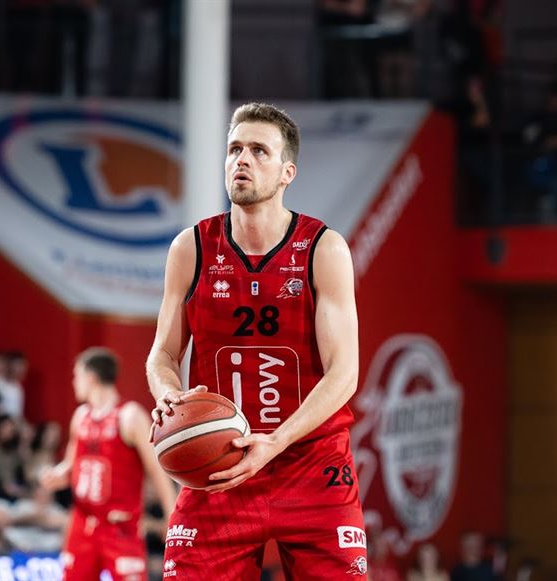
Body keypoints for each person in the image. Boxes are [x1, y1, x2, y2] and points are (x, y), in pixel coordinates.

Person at [146, 102, 364, 579]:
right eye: (235, 149)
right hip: (219, 463)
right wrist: (168, 396)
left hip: (311, 462)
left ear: (288, 172)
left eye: (258, 151)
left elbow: (344, 373)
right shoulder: (191, 247)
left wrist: (278, 440)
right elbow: (162, 354)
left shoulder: (323, 249)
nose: (241, 159)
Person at [42, 347, 176, 581]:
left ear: (91, 377)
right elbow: (70, 465)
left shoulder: (130, 415)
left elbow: (157, 471)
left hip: (120, 527)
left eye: (77, 375)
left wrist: (172, 520)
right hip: (82, 524)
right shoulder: (81, 416)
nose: (74, 382)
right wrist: (57, 474)